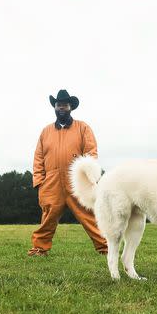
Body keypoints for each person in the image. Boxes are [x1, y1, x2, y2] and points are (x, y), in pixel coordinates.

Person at [28, 89, 108, 257]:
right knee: (48, 217)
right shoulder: (45, 132)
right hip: (51, 183)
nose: (61, 107)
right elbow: (38, 158)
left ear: (71, 107)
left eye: (65, 105)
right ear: (54, 107)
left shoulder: (83, 128)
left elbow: (91, 153)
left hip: (77, 181)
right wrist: (39, 181)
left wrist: (89, 178)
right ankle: (40, 249)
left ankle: (106, 248)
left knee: (89, 215)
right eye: (58, 105)